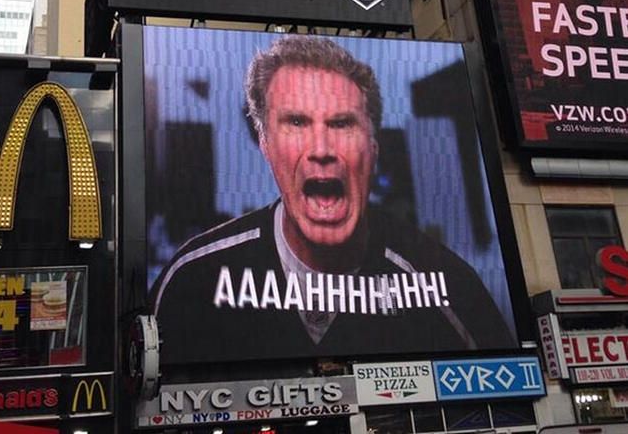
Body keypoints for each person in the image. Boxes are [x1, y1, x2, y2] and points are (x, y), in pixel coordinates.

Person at [149, 36, 514, 365]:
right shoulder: (193, 279)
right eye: (296, 122)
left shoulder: (448, 288)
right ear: (265, 143)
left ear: (373, 148)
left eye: (341, 124)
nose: (321, 149)